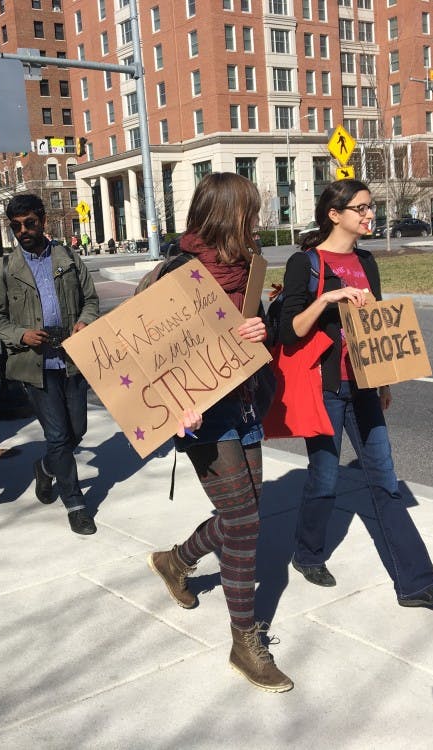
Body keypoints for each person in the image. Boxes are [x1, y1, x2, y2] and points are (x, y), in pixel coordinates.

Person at [270, 179, 433, 610]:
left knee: (385, 481)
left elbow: (377, 323)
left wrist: (386, 378)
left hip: (365, 385)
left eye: (370, 207)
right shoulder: (307, 263)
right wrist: (329, 299)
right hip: (326, 388)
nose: (369, 215)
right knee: (325, 477)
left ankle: (416, 583)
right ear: (334, 215)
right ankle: (307, 553)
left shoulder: (367, 261)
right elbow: (291, 330)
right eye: (361, 208)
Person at [145, 173, 292, 692]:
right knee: (245, 522)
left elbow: (259, 327)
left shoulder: (250, 268)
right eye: (250, 211)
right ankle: (243, 641)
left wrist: (262, 330)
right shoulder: (179, 270)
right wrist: (171, 404)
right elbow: (148, 351)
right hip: (203, 414)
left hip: (246, 403)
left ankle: (174, 561)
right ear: (227, 214)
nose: (257, 220)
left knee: (243, 516)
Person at [0, 193, 100, 535]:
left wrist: (85, 322)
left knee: (76, 430)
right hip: (34, 367)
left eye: (30, 223)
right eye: (16, 226)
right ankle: (76, 503)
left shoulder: (67, 257)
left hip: (72, 360)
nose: (23, 231)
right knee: (58, 434)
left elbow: (90, 301)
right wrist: (21, 335)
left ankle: (46, 467)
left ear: (43, 221)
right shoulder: (4, 269)